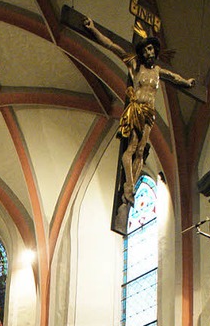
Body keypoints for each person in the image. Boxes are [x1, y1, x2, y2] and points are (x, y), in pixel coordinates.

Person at [83, 17, 195, 209]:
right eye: (144, 50)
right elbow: (112, 46)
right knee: (132, 147)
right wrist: (93, 29)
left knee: (142, 150)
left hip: (149, 113)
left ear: (155, 50)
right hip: (136, 109)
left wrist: (186, 82)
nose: (147, 52)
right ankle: (128, 184)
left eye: (150, 49)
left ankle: (132, 185)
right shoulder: (136, 66)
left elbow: (174, 77)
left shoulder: (158, 71)